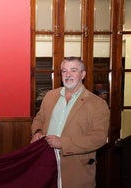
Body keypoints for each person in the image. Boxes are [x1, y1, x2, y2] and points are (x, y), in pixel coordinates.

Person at [31, 57, 110, 188]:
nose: (68, 75)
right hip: (46, 164)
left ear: (83, 74)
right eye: (64, 71)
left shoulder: (97, 104)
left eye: (73, 70)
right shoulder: (50, 96)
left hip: (77, 171)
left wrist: (63, 143)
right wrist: (38, 132)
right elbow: (39, 119)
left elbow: (99, 138)